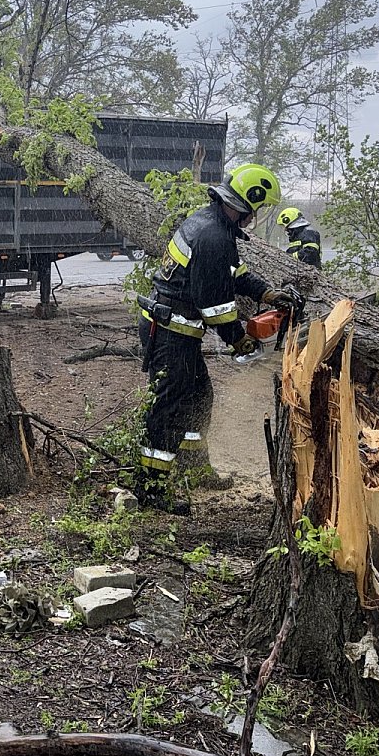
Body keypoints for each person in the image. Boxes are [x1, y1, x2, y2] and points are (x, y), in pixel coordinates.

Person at [136, 163, 296, 510]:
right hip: (170, 331)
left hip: (178, 330)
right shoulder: (212, 237)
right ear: (248, 201)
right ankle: (150, 490)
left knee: (199, 399)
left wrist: (265, 293)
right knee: (169, 408)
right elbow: (216, 305)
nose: (256, 215)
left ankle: (194, 470)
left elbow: (233, 273)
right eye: (258, 207)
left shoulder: (212, 223)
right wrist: (239, 340)